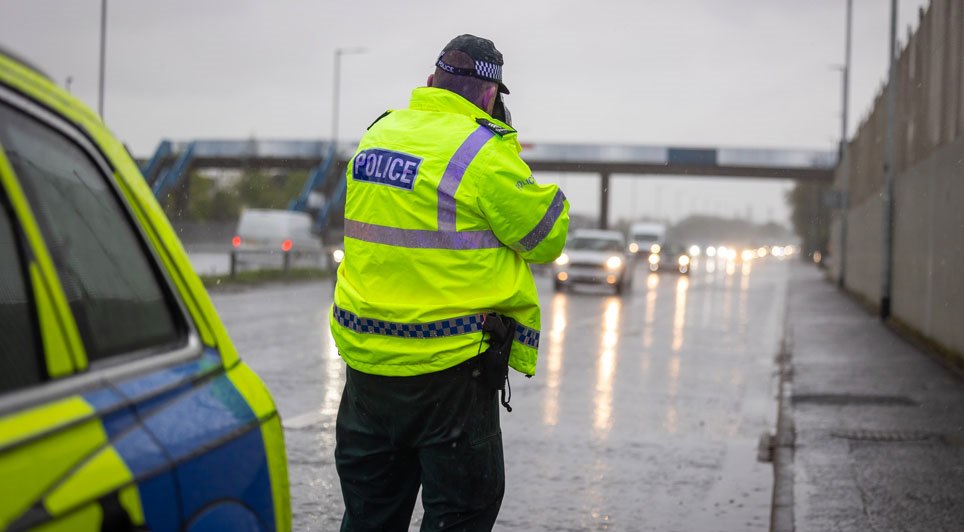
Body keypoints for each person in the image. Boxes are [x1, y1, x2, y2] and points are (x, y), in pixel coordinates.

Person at [330, 34, 569, 531]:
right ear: (489, 95)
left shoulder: (376, 136)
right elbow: (545, 236)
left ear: (431, 81)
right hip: (450, 371)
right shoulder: (484, 152)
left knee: (370, 514)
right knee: (462, 511)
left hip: (367, 368)